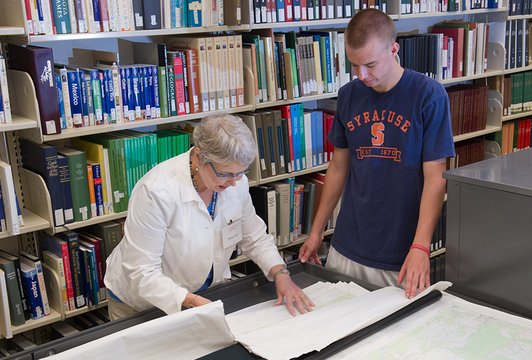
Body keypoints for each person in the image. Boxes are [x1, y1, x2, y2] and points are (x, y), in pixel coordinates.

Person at [299, 9, 455, 299]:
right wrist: (317, 230)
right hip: (347, 245)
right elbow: (338, 168)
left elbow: (436, 179)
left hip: (400, 253)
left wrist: (421, 247)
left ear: (393, 49)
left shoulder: (428, 95)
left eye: (370, 64)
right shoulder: (348, 95)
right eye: (354, 65)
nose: (362, 75)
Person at [104, 114, 314, 320]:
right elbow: (141, 270)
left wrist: (280, 273)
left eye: (240, 173)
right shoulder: (156, 191)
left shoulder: (234, 182)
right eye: (224, 174)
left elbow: (254, 236)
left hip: (203, 293)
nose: (233, 182)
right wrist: (191, 301)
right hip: (142, 303)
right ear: (198, 157)